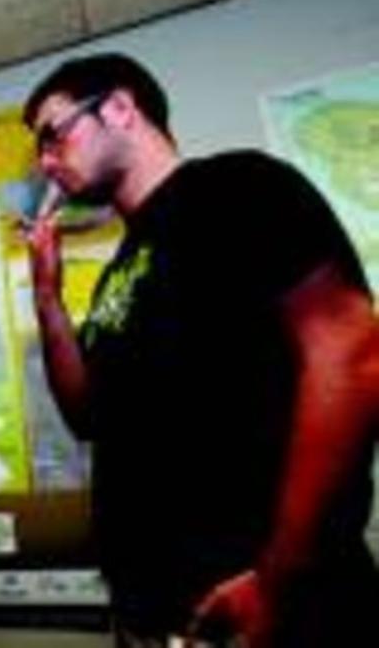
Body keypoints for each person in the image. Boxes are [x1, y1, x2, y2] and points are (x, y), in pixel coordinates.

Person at [22, 53, 379, 647]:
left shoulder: (237, 187)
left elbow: (354, 358)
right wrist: (47, 296)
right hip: (161, 613)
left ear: (119, 108)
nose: (44, 161)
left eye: (53, 135)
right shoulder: (119, 274)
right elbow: (86, 416)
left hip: (268, 605)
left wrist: (279, 580)